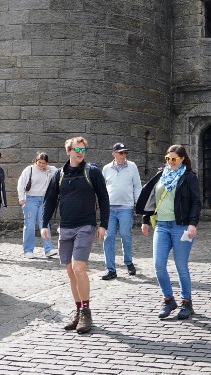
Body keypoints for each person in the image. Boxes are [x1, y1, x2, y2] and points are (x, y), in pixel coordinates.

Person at [41, 136, 109, 335]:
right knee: (70, 271)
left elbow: (104, 198)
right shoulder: (59, 174)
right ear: (68, 151)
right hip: (66, 227)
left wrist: (103, 224)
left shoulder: (92, 172)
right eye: (77, 150)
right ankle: (78, 310)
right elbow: (50, 200)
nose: (81, 153)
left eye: (83, 150)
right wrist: (44, 225)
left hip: (85, 226)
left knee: (79, 269)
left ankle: (86, 312)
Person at [135, 145, 201, 321]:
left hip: (181, 226)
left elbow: (196, 201)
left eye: (174, 159)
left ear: (182, 159)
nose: (170, 162)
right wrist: (145, 219)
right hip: (162, 225)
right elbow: (151, 198)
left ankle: (186, 302)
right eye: (168, 159)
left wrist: (192, 224)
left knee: (181, 266)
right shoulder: (161, 175)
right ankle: (168, 299)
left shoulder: (188, 177)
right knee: (158, 265)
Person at [101, 142, 142, 280]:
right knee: (109, 237)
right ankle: (110, 269)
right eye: (121, 152)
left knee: (125, 234)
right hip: (110, 208)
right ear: (114, 154)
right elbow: (102, 190)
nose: (124, 155)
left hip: (126, 207)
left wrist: (138, 204)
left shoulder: (132, 166)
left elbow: (137, 186)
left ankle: (128, 262)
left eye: (125, 152)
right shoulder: (106, 168)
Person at [17, 152, 58, 259]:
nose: (41, 165)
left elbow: (57, 172)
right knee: (30, 225)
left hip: (43, 199)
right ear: (35, 161)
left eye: (43, 163)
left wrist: (47, 167)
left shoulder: (49, 170)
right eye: (39, 162)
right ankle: (28, 250)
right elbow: (21, 183)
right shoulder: (29, 169)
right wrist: (21, 198)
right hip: (30, 199)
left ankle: (48, 249)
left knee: (44, 224)